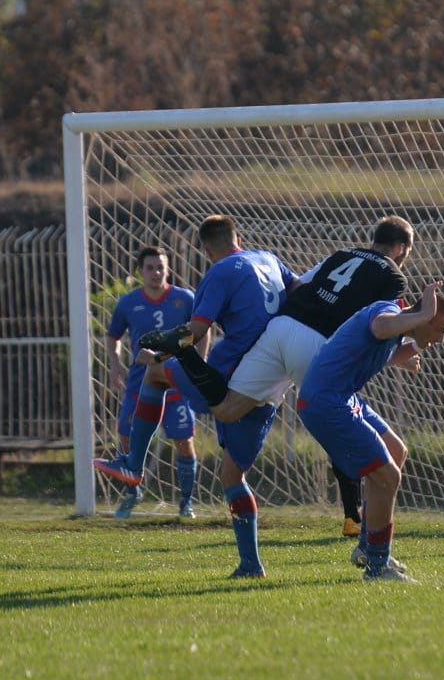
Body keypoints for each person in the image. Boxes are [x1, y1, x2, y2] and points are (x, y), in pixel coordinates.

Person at [142, 216, 416, 537]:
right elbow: (380, 323)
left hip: (278, 331)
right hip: (317, 346)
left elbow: (299, 285)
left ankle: (184, 352)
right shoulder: (394, 278)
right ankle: (359, 527)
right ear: (400, 249)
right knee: (372, 449)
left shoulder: (341, 254)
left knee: (226, 409)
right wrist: (405, 346)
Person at [94, 214, 296, 577]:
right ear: (239, 237)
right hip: (272, 384)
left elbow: (196, 330)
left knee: (155, 375)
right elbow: (298, 293)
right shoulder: (268, 259)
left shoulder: (219, 273)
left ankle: (132, 463)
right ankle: (250, 565)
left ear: (205, 249)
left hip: (230, 375)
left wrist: (159, 351)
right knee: (233, 476)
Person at [297, 282, 444, 583]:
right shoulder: (387, 312)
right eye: (440, 328)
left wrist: (411, 351)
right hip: (326, 401)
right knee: (387, 475)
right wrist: (424, 313)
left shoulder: (396, 328)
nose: (441, 338)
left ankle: (367, 548)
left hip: (341, 397)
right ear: (423, 317)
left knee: (397, 452)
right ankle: (378, 567)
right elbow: (380, 327)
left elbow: (383, 346)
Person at [104, 246, 202, 519]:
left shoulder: (185, 299)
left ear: (168, 269)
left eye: (161, 267)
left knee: (184, 441)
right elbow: (113, 337)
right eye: (150, 267)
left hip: (176, 384)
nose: (156, 272)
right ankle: (132, 493)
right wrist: (115, 365)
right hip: (139, 386)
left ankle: (186, 503)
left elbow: (202, 330)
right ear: (140, 271)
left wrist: (200, 361)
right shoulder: (128, 303)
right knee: (126, 438)